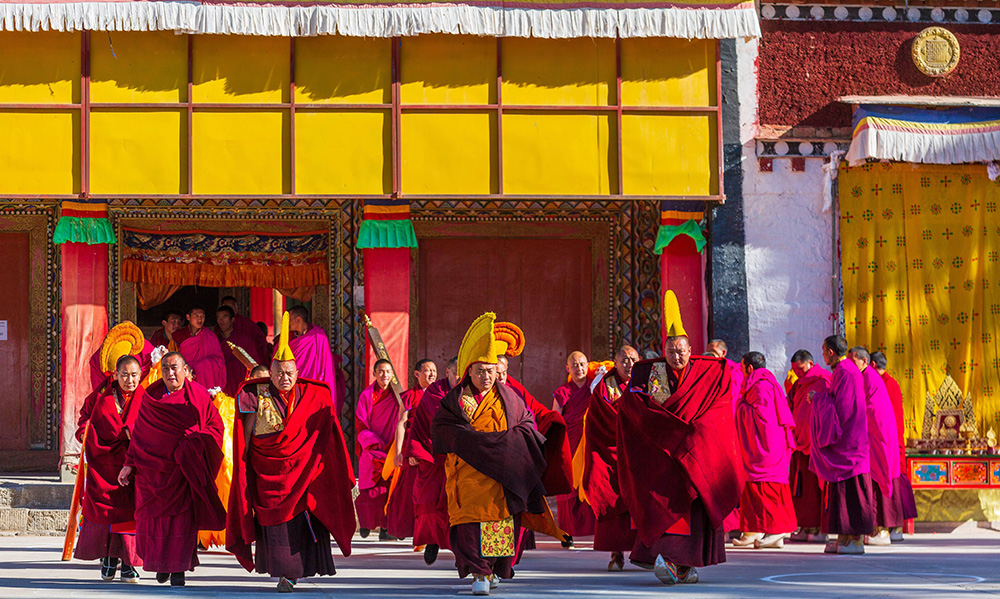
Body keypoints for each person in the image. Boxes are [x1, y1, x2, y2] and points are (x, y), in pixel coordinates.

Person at [227, 313, 356, 593]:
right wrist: (245, 469)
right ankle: (284, 574)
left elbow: (327, 433)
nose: (285, 378)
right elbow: (244, 437)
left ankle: (296, 573)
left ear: (297, 373)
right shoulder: (253, 395)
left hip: (302, 473)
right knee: (276, 529)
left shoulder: (313, 395)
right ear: (269, 374)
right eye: (279, 373)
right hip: (267, 472)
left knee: (300, 522)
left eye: (289, 373)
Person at [431, 314, 547, 596]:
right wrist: (476, 443)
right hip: (468, 475)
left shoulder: (509, 398)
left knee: (497, 524)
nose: (486, 376)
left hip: (499, 475)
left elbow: (527, 425)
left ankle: (491, 568)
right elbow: (442, 429)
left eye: (491, 371)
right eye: (480, 370)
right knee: (471, 524)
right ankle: (478, 572)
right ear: (468, 372)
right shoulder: (455, 401)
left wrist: (504, 444)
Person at [619, 329, 741, 585]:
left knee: (693, 508)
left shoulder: (706, 374)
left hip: (693, 452)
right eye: (671, 351)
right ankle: (674, 563)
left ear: (690, 350)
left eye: (681, 351)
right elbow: (636, 408)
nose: (676, 356)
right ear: (664, 352)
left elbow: (719, 408)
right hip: (665, 455)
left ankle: (682, 566)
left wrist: (694, 437)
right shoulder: (653, 374)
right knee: (663, 503)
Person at [118, 352, 226, 587]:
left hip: (183, 471)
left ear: (185, 370)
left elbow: (216, 428)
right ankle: (161, 564)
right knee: (154, 522)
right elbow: (139, 434)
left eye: (175, 368)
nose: (170, 373)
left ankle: (179, 570)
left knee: (182, 523)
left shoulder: (198, 395)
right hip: (153, 473)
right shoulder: (150, 397)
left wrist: (194, 443)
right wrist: (129, 463)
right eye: (165, 368)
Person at [74, 324, 151, 583]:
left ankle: (129, 563)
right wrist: (87, 433)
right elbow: (85, 419)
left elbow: (153, 428)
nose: (130, 380)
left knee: (130, 515)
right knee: (105, 515)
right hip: (103, 465)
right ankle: (108, 558)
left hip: (133, 466)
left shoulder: (145, 398)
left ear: (140, 374)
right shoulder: (101, 397)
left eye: (134, 375)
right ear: (116, 374)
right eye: (125, 375)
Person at [496, 355, 573, 552]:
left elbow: (534, 411)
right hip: (494, 459)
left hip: (518, 457)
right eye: (496, 373)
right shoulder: (478, 395)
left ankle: (509, 558)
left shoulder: (515, 389)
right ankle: (495, 561)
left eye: (503, 373)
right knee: (499, 509)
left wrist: (552, 419)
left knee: (521, 506)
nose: (500, 378)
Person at [809, 335, 874, 555]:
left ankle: (854, 541)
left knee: (852, 493)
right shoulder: (844, 370)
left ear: (829, 352)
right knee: (842, 493)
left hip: (849, 443)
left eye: (823, 349)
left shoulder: (845, 372)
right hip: (849, 441)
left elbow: (843, 409)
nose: (823, 354)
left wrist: (817, 398)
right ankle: (845, 539)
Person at [732, 352, 797, 549]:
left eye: (743, 368)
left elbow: (763, 419)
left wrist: (740, 405)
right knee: (754, 488)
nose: (742, 373)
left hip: (765, 447)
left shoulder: (760, 386)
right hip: (766, 444)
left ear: (750, 368)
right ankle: (754, 530)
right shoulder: (768, 382)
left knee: (766, 488)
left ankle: (777, 529)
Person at [583, 345, 639, 572]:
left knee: (641, 503)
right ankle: (616, 553)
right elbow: (598, 421)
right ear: (614, 362)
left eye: (633, 359)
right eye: (624, 359)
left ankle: (643, 551)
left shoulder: (648, 383)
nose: (629, 364)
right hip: (612, 452)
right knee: (613, 497)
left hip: (639, 454)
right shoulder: (605, 386)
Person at [402, 357, 458, 565]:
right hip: (432, 455)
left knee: (458, 504)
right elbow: (419, 424)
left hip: (460, 458)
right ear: (448, 372)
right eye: (456, 373)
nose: (459, 377)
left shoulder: (471, 392)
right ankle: (432, 541)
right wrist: (412, 451)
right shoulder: (434, 392)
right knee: (429, 502)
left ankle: (460, 548)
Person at [848, 347, 902, 546]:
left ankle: (882, 530)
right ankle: (874, 529)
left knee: (879, 480)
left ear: (864, 361)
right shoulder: (863, 376)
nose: (850, 363)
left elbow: (871, 409)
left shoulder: (869, 378)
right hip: (872, 436)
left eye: (853, 359)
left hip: (878, 437)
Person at [386, 359, 437, 541]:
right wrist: (400, 451)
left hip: (433, 448)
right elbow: (402, 423)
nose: (432, 374)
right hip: (413, 448)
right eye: (427, 371)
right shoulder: (409, 396)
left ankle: (429, 529)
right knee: (410, 489)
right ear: (417, 374)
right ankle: (406, 527)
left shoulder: (440, 394)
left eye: (434, 370)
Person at [870, 351, 918, 541]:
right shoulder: (893, 384)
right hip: (895, 439)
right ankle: (896, 528)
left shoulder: (879, 384)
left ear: (872, 364)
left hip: (884, 440)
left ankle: (885, 528)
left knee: (885, 481)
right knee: (895, 478)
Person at [786, 349, 831, 543]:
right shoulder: (797, 385)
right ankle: (804, 526)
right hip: (800, 441)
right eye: (795, 369)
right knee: (802, 488)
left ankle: (821, 527)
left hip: (818, 443)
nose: (798, 373)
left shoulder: (824, 381)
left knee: (818, 488)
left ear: (811, 364)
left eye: (801, 368)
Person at [551, 351, 596, 538]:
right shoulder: (563, 392)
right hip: (570, 443)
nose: (579, 368)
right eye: (575, 365)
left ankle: (591, 528)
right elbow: (555, 419)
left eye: (582, 364)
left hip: (590, 442)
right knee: (569, 485)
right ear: (567, 368)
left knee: (589, 479)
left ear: (588, 366)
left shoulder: (594, 388)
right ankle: (569, 529)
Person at [355, 359, 401, 540]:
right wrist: (373, 443)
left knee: (389, 489)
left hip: (391, 448)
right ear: (374, 374)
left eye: (388, 371)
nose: (385, 375)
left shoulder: (397, 395)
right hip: (372, 448)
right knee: (370, 489)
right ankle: (367, 523)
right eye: (381, 371)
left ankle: (386, 529)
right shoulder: (367, 395)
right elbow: (360, 423)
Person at [287, 306, 346, 418]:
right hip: (293, 386)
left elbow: (325, 363)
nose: (288, 323)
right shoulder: (289, 337)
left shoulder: (318, 335)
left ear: (298, 319)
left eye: (290, 319)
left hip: (314, 385)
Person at [173, 306, 227, 391]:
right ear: (188, 317)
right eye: (196, 316)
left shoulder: (210, 336)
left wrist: (199, 367)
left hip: (204, 379)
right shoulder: (178, 336)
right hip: (184, 377)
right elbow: (172, 359)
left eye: (202, 316)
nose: (200, 319)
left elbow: (219, 361)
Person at [215, 305, 262, 396]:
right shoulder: (214, 338)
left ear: (232, 319)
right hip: (221, 381)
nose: (221, 321)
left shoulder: (244, 339)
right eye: (218, 318)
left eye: (224, 317)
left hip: (239, 379)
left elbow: (253, 363)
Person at [220, 296, 270, 366]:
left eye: (232, 306)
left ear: (236, 308)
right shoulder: (218, 327)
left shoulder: (247, 324)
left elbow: (260, 342)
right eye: (226, 307)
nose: (229, 309)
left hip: (245, 363)